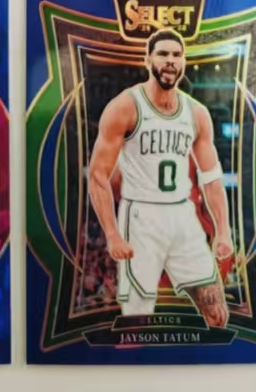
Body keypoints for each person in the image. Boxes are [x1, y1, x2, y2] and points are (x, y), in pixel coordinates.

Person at [86, 29, 232, 328]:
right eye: (163, 53)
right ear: (147, 59)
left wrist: (223, 230)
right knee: (137, 318)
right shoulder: (125, 106)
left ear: (184, 62)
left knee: (217, 313)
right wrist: (112, 234)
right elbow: (98, 175)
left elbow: (212, 179)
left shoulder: (197, 113)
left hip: (182, 215)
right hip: (141, 216)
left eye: (177, 55)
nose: (170, 60)